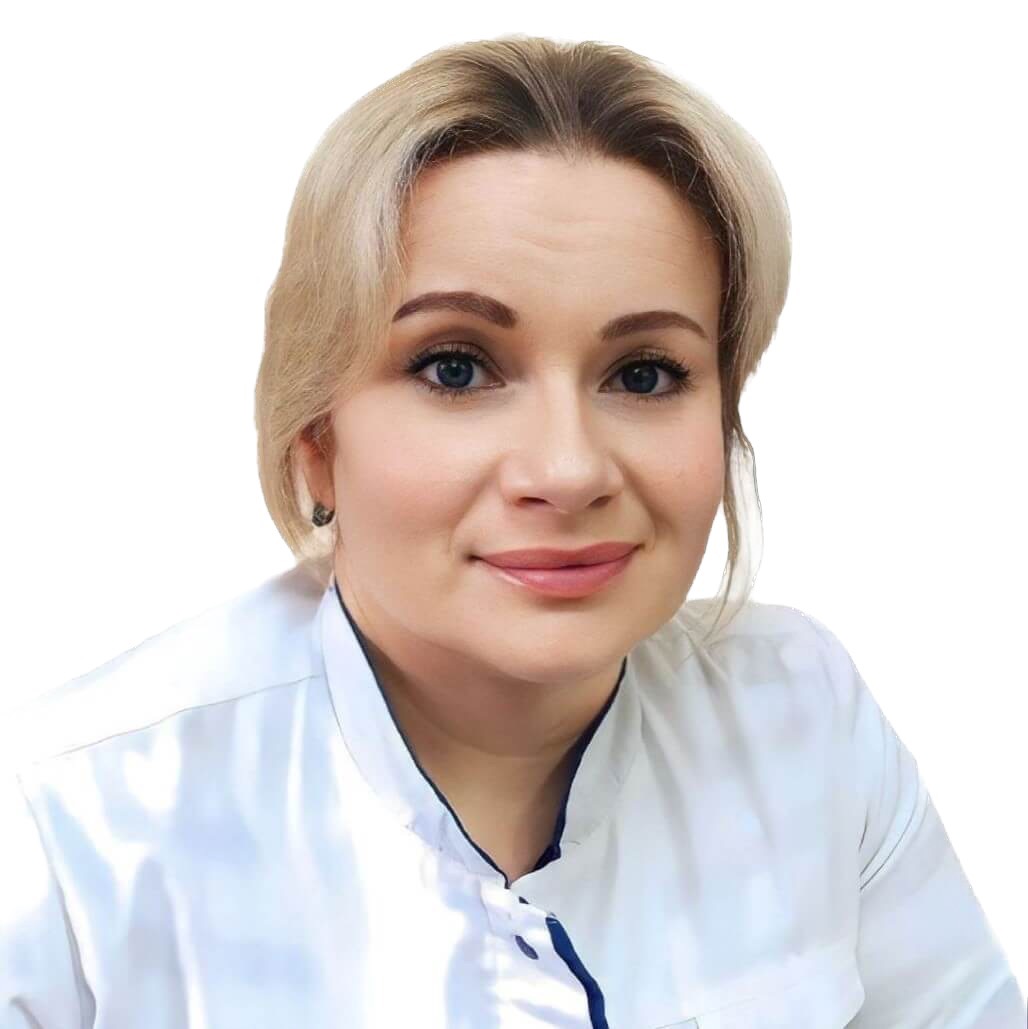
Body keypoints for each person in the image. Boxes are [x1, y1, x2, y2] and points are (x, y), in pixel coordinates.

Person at [1, 33, 1023, 1029]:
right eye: (455, 368)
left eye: (643, 374)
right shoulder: (66, 826)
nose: (568, 470)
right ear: (315, 440)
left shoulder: (802, 717)